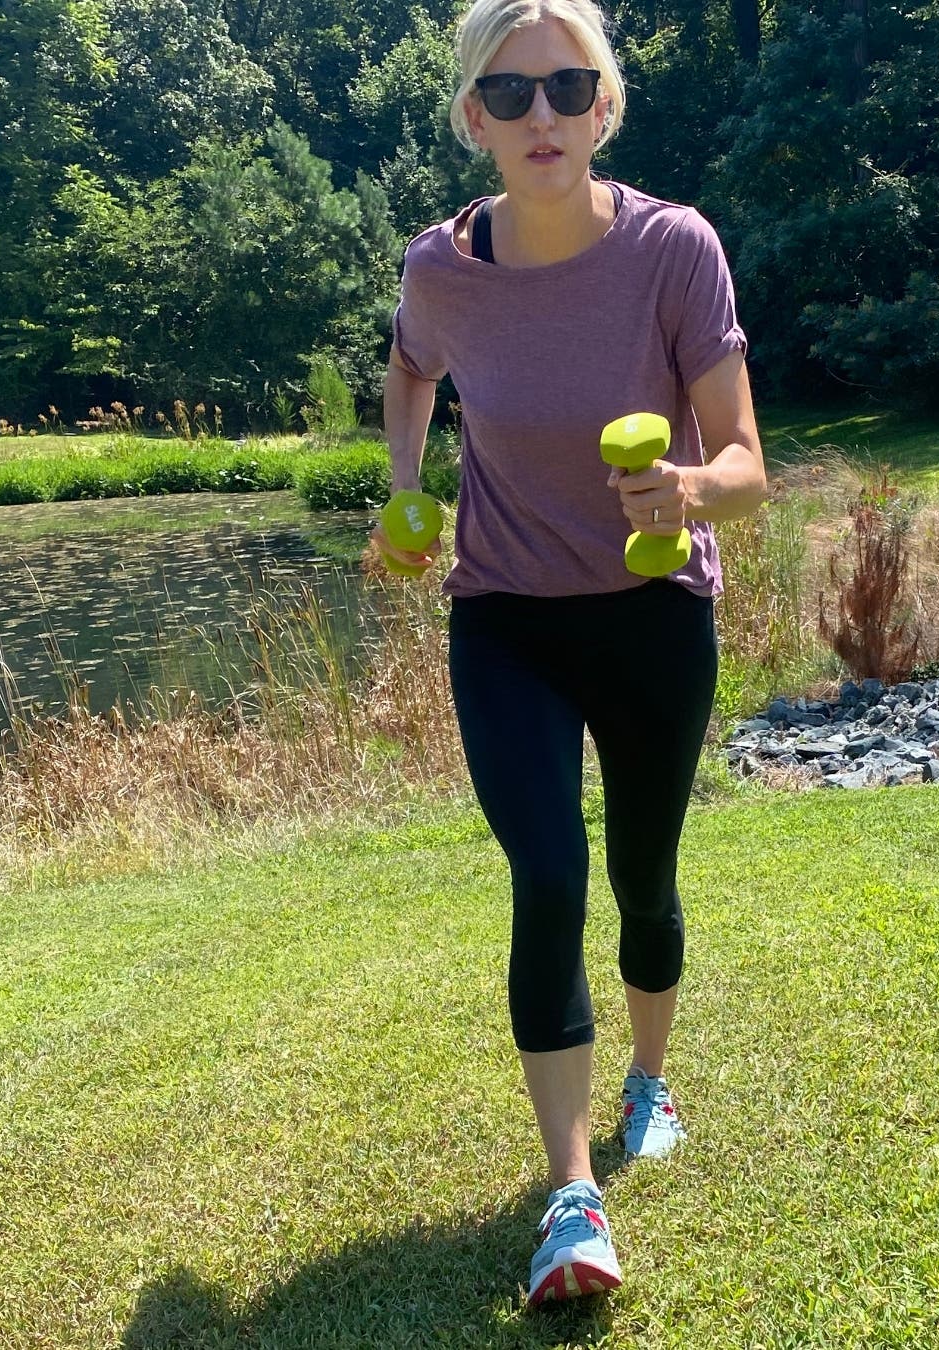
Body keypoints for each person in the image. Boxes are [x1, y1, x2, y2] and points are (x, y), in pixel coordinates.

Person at [368, 0, 767, 1308]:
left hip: (653, 615)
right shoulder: (442, 269)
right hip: (507, 617)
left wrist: (695, 492)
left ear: (604, 105)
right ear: (473, 116)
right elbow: (410, 367)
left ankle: (651, 1083)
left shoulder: (674, 250)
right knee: (550, 868)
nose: (542, 112)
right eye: (512, 89)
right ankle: (571, 1192)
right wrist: (402, 488)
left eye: (567, 84)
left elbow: (751, 463)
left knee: (644, 879)